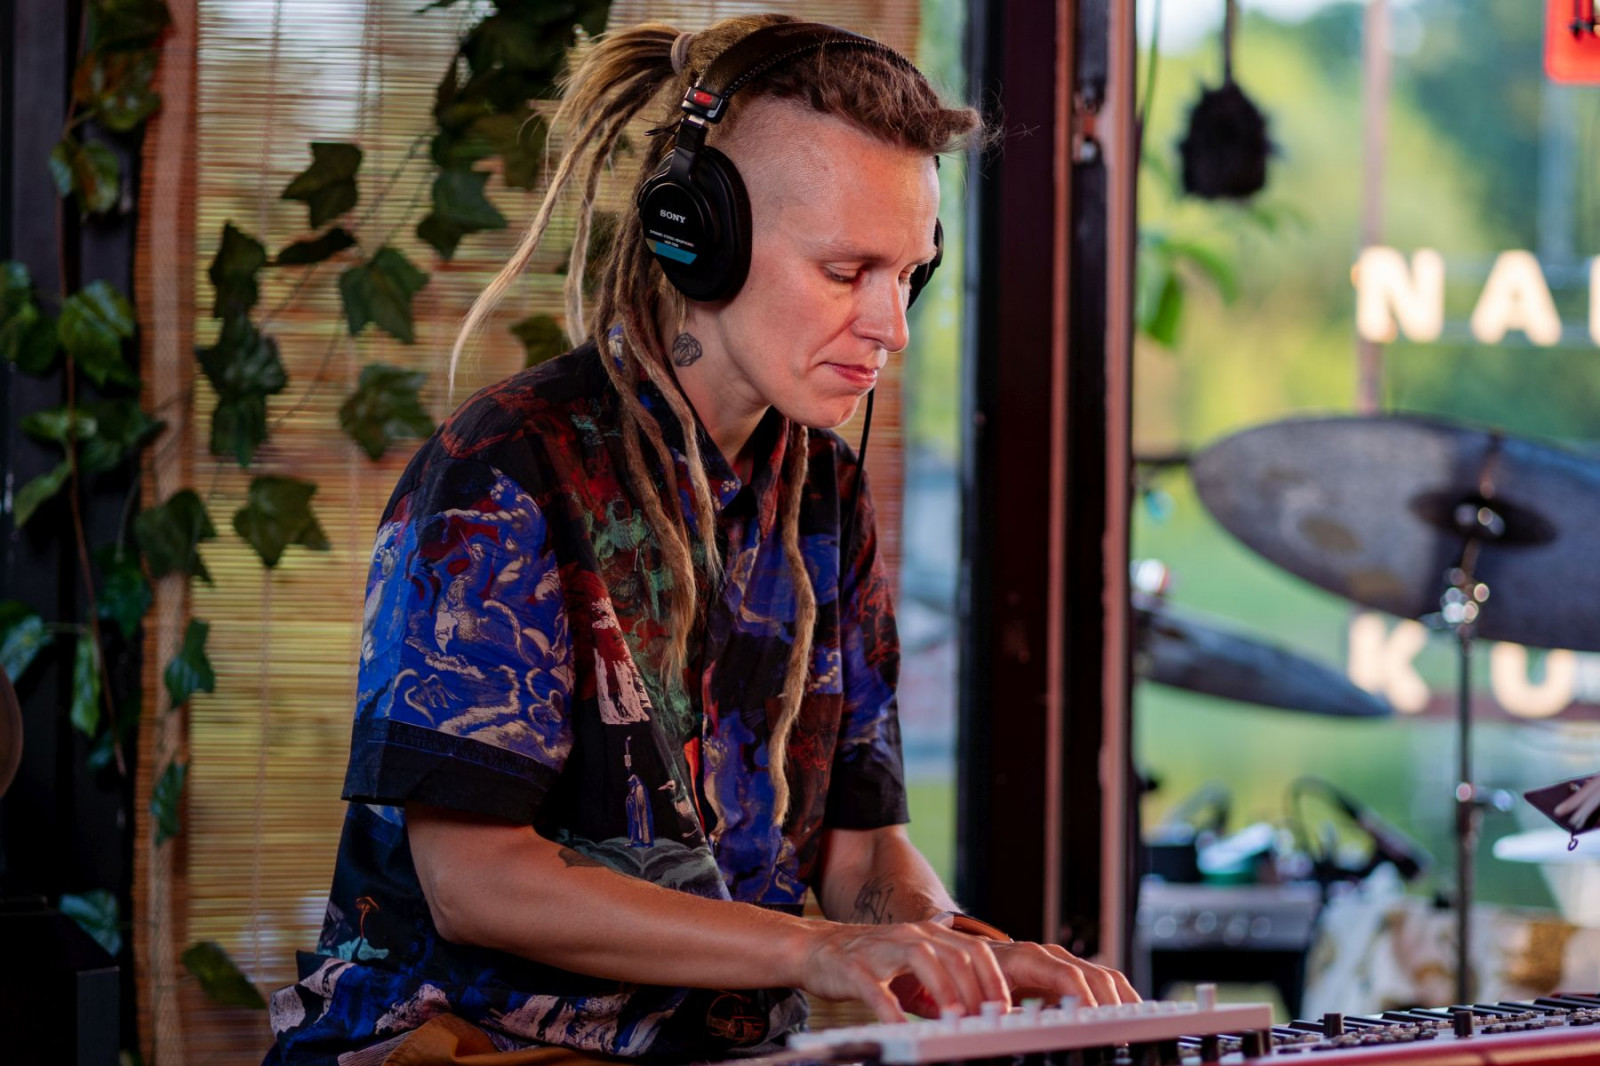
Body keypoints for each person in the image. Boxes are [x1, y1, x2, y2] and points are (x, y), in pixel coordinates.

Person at [265, 14, 1136, 1066]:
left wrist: (958, 949)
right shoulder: (501, 470)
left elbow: (863, 854)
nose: (892, 326)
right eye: (846, 270)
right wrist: (816, 948)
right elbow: (475, 880)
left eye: (909, 274)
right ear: (699, 238)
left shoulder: (826, 495)